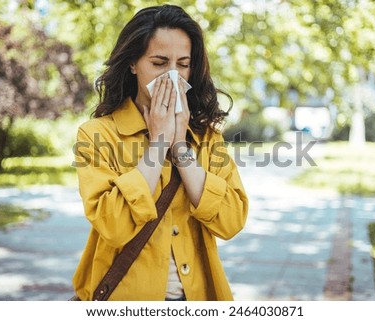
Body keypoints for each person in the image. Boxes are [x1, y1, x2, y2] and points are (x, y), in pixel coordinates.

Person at [72, 4, 248, 301]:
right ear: (133, 64)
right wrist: (157, 144)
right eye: (159, 62)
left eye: (182, 64)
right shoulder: (97, 134)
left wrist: (180, 146)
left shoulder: (206, 138)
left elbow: (231, 221)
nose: (172, 76)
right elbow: (112, 225)